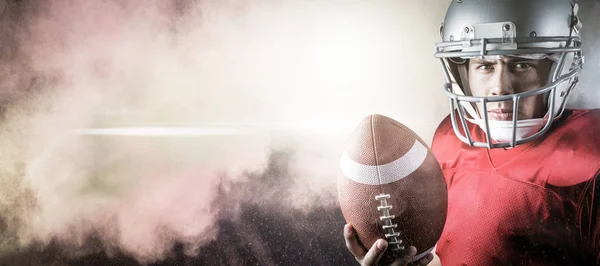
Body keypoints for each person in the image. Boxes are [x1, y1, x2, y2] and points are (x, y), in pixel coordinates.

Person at [343, 0, 600, 265]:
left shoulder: (591, 156)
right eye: (485, 66)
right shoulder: (449, 138)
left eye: (522, 64)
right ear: (462, 72)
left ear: (562, 67)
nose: (499, 88)